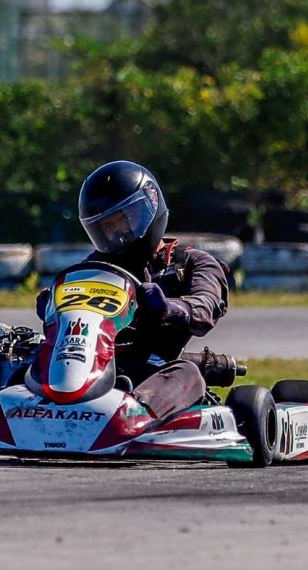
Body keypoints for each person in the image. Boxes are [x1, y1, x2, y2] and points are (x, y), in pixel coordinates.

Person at [39, 160, 229, 418]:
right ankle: (9, 410)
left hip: (154, 370)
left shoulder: (192, 262)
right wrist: (54, 308)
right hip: (90, 364)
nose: (117, 232)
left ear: (149, 207)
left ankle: (132, 416)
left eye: (123, 220)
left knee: (186, 373)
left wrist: (168, 308)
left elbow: (205, 308)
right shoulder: (93, 269)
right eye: (107, 226)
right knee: (21, 361)